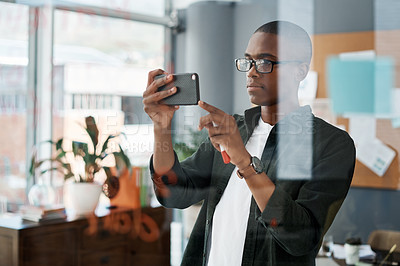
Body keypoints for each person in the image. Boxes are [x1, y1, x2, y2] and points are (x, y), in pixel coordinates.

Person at [142, 20, 356, 266]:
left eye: (265, 62)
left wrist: (244, 162)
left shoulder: (331, 144)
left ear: (300, 71)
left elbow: (300, 238)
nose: (252, 72)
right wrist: (161, 127)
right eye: (248, 62)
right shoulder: (234, 129)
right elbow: (173, 194)